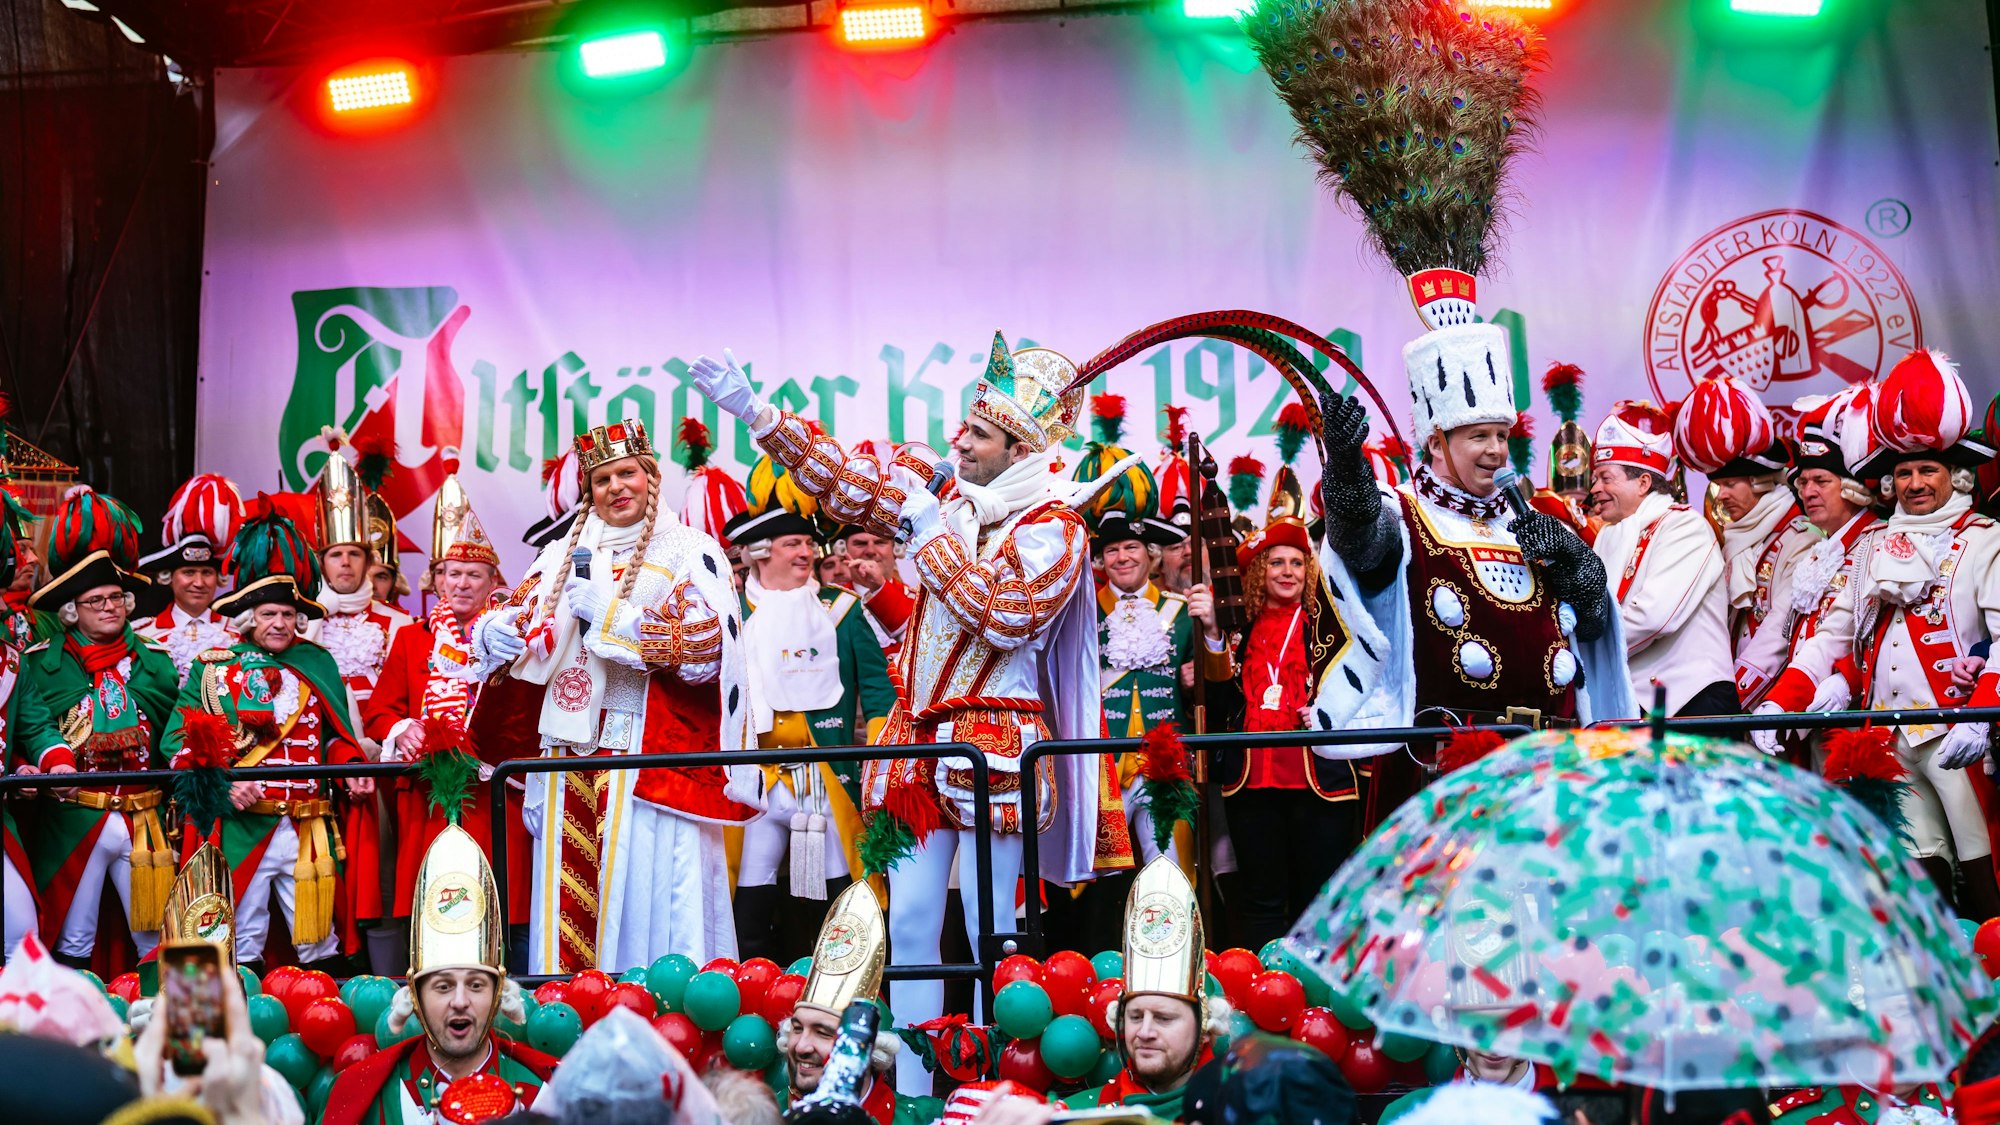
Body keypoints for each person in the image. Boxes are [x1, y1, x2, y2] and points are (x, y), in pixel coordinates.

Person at [691, 338, 1127, 1096]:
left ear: (1019, 446)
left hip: (995, 749)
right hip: (918, 747)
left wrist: (928, 531)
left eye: (978, 435)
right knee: (915, 924)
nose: (958, 440)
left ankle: (999, 1080)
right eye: (962, 429)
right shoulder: (953, 502)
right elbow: (851, 484)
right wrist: (754, 411)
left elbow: (1008, 617)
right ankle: (922, 1086)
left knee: (997, 930)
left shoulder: (1055, 526)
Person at [466, 418, 761, 974]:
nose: (615, 488)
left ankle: (655, 1019)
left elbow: (708, 648)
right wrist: (494, 632)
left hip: (645, 764)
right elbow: (518, 612)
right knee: (568, 909)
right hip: (564, 757)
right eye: (601, 479)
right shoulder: (559, 552)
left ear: (650, 477)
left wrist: (614, 617)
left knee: (646, 901)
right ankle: (570, 1022)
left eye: (627, 473)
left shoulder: (688, 549)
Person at [1313, 319, 1631, 830]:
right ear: (1436, 443)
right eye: (1478, 435)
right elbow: (1363, 545)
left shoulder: (1533, 522)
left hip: (1547, 776)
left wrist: (1577, 564)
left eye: (1502, 435)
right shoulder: (1405, 515)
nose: (1496, 450)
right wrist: (1348, 470)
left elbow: (1592, 627)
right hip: (1442, 778)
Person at [1755, 350, 2000, 918]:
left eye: (1928, 471)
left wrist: (1983, 713)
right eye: (1906, 472)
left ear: (1957, 476)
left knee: (1983, 868)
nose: (1914, 483)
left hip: (1956, 731)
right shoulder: (1874, 547)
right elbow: (1833, 636)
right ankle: (1941, 986)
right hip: (1890, 733)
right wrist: (1779, 705)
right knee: (1919, 875)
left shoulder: (1985, 539)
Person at [161, 504, 371, 972]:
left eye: (288, 613)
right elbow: (176, 742)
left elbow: (332, 739)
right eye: (269, 613)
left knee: (321, 943)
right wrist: (223, 782)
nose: (279, 622)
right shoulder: (213, 667)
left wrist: (352, 767)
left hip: (307, 826)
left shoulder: (317, 663)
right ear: (249, 618)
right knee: (244, 939)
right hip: (244, 826)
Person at [363, 475, 541, 974]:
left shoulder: (512, 640)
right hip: (428, 796)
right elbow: (378, 712)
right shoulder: (411, 641)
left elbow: (528, 716)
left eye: (473, 575)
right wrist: (401, 728)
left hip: (494, 793)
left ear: (492, 583)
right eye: (452, 574)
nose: (461, 583)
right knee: (434, 898)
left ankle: (506, 985)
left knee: (499, 902)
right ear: (438, 580)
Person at [726, 490, 894, 964]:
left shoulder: (839, 608)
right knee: (748, 894)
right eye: (792, 544)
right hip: (754, 777)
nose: (805, 553)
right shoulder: (731, 613)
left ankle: (830, 990)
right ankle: (748, 989)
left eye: (808, 543)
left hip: (821, 776)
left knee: (833, 894)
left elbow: (878, 689)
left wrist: (880, 760)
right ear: (760, 554)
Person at [1190, 505, 1356, 950]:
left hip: (1318, 780)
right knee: (1261, 901)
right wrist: (1210, 633)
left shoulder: (1335, 626)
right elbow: (1221, 701)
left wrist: (1329, 710)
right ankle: (1268, 987)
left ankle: (1314, 998)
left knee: (1317, 900)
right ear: (1260, 571)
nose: (1288, 571)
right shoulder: (1239, 629)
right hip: (1253, 781)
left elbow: (1364, 684)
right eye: (1277, 562)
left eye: (1298, 562)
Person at [9, 532, 179, 967]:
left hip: (145, 819)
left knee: (161, 937)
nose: (110, 607)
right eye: (96, 601)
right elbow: (25, 729)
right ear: (71, 611)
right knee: (72, 937)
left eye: (116, 598)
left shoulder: (155, 661)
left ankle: (163, 1028)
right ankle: (76, 1029)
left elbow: (174, 733)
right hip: (74, 819)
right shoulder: (42, 663)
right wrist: (30, 769)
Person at [323, 824, 557, 1125]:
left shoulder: (544, 1096)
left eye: (475, 985)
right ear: (415, 996)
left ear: (499, 994)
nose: (460, 1001)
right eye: (443, 987)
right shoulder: (363, 1093)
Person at [301, 452, 412, 967]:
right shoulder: (299, 625)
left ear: (370, 561)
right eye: (334, 554)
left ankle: (383, 973)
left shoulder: (400, 624)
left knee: (382, 873)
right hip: (317, 766)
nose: (345, 563)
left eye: (354, 554)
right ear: (319, 561)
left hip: (381, 768)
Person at [1746, 387, 1884, 750]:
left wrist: (1842, 681)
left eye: (1821, 481)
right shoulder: (1822, 549)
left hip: (1858, 724)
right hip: (1808, 716)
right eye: (1803, 482)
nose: (1808, 491)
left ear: (1854, 488)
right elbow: (1784, 634)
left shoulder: (1879, 543)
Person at [1670, 378, 1817, 707]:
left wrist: (1733, 700)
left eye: (1729, 484)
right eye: (1718, 485)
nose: (1720, 496)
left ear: (1760, 481)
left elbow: (1779, 632)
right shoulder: (1734, 540)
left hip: (1775, 706)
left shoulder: (1801, 538)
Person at [1588, 400, 1734, 715]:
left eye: (1605, 478)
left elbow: (1655, 619)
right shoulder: (1608, 535)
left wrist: (1587, 654)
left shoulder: (1685, 526)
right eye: (1595, 478)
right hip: (1634, 705)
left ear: (1643, 482)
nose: (1594, 488)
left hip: (1692, 704)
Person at [1065, 858, 1227, 1121]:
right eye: (1135, 1016)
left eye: (1164, 1018)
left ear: (1205, 1027)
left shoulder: (1246, 1112)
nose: (1145, 1032)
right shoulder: (1077, 1115)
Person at [776, 883, 943, 1123]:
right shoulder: (758, 1114)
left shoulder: (927, 1119)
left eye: (823, 1033)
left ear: (870, 1050)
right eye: (798, 1028)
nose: (801, 1046)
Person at [135, 473, 243, 683]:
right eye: (188, 573)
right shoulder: (143, 634)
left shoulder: (239, 631)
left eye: (207, 573)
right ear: (169, 577)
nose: (199, 583)